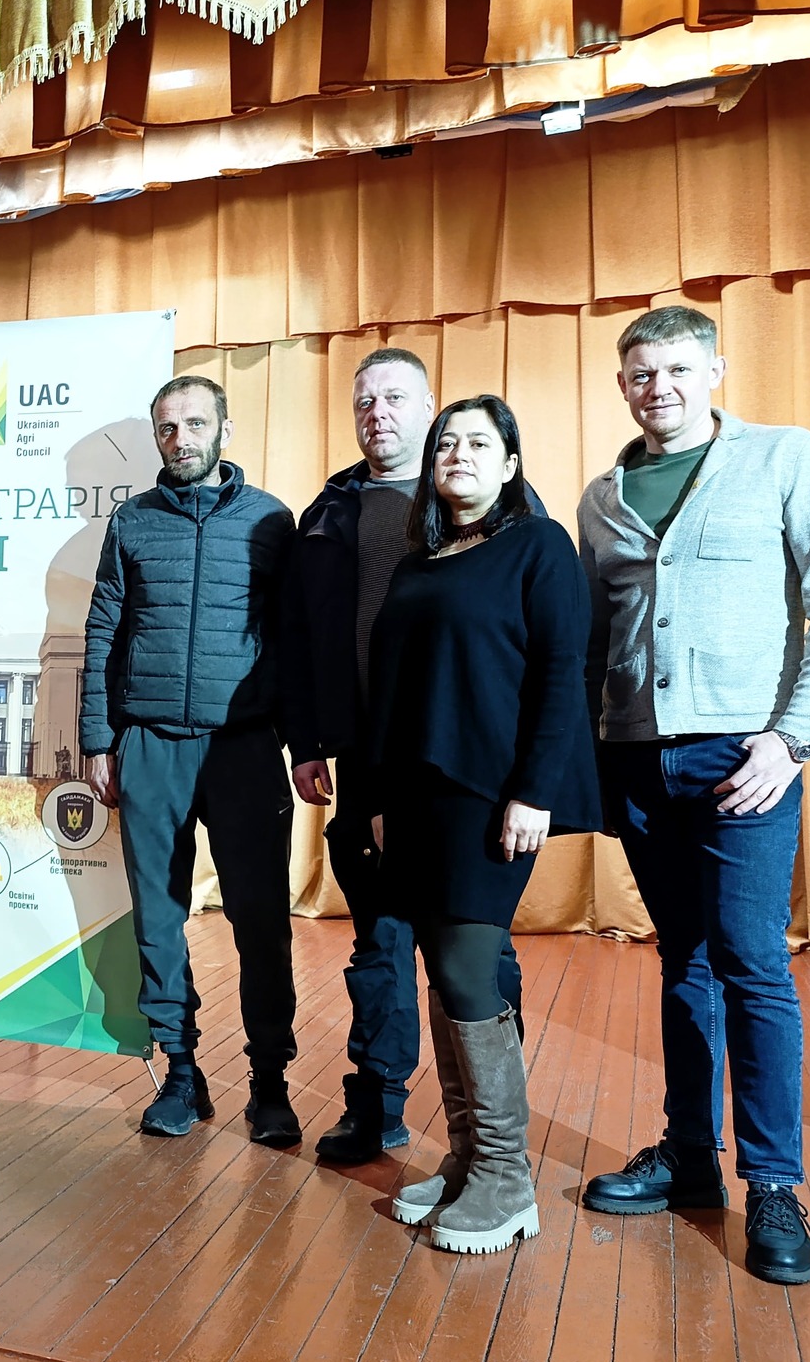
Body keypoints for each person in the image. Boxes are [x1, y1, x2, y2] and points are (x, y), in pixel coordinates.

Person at [577, 306, 810, 1287]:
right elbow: (596, 640)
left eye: (674, 369)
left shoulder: (783, 457)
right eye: (639, 373)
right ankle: (690, 1158)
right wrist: (589, 758)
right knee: (683, 960)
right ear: (623, 385)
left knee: (750, 962)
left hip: (744, 758)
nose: (655, 387)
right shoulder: (601, 497)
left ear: (713, 371)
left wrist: (792, 738)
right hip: (634, 759)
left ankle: (774, 1186)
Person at [283, 349, 534, 1165]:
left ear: (430, 408)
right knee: (380, 939)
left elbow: (538, 644)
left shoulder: (492, 504)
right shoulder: (329, 509)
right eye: (365, 400)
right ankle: (377, 1102)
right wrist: (311, 740)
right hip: (365, 755)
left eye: (395, 398)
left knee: (475, 940)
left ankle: (496, 1128)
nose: (378, 413)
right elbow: (302, 635)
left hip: (464, 758)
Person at [365, 395, 598, 1254]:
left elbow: (562, 673)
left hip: (491, 791)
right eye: (446, 444)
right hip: (416, 795)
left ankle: (506, 1176)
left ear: (510, 464)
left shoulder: (538, 545)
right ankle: (467, 1159)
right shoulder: (419, 562)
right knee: (442, 971)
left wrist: (534, 790)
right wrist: (378, 799)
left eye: (478, 443)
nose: (458, 454)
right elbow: (393, 691)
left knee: (468, 967)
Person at [81, 375, 299, 1143]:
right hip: (149, 746)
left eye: (195, 424)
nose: (181, 439)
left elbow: (294, 637)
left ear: (224, 431)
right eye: (168, 428)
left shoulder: (271, 520)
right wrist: (98, 739)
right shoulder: (133, 520)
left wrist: (301, 742)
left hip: (244, 747)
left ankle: (270, 1083)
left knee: (261, 922)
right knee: (158, 921)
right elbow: (103, 629)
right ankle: (180, 1070)